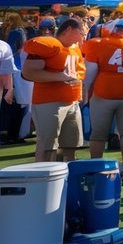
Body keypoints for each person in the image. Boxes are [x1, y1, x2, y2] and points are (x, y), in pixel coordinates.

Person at [83, 17, 123, 172]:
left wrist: (88, 92)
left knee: (98, 132)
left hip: (104, 92)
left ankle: (97, 165)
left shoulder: (97, 44)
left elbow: (90, 73)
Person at [22, 17, 87, 162]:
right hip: (49, 102)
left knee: (70, 146)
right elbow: (28, 72)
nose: (83, 35)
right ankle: (43, 179)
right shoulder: (51, 45)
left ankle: (66, 181)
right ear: (69, 30)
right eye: (81, 32)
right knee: (48, 146)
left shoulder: (74, 47)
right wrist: (59, 77)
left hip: (72, 102)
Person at [0, 14, 15, 152]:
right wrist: (9, 88)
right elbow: (6, 71)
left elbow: (6, 71)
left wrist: (9, 88)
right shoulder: (2, 46)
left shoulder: (2, 46)